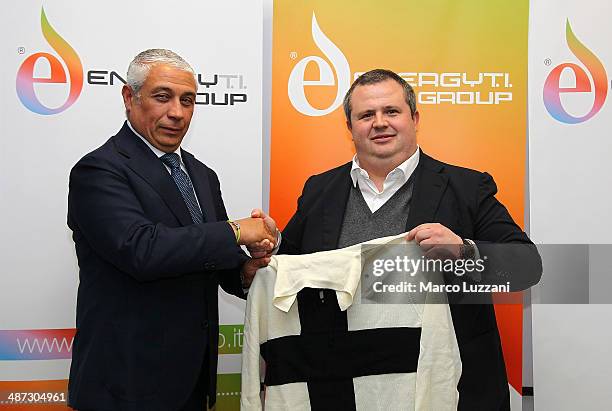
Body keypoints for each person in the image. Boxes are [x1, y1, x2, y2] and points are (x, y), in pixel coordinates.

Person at [278, 69, 542, 410]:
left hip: (442, 386)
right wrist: (262, 255)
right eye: (366, 115)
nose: (379, 123)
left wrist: (465, 251)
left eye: (391, 111)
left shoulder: (467, 188)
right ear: (350, 127)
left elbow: (526, 266)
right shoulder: (319, 190)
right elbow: (286, 272)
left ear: (414, 118)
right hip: (342, 387)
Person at [67, 49, 277, 411]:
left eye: (188, 101)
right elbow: (141, 250)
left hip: (192, 380)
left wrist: (248, 268)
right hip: (124, 383)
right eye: (162, 97)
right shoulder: (99, 170)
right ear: (129, 98)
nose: (177, 113)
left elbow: (216, 262)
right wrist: (235, 231)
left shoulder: (202, 175)